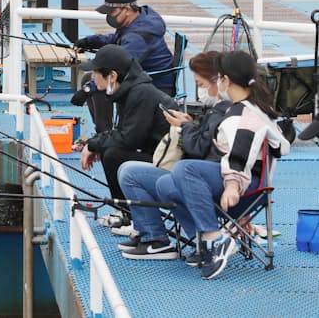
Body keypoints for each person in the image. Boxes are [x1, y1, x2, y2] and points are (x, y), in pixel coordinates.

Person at [156, 50, 290, 279]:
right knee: (166, 186)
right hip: (253, 185)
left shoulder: (241, 115)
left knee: (184, 169)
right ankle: (204, 242)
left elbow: (239, 153)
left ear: (226, 80)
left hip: (245, 188)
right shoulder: (254, 107)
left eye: (218, 79)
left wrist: (232, 185)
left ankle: (215, 239)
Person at [115, 51, 232, 260]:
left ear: (219, 81)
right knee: (128, 169)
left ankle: (177, 240)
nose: (200, 90)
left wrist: (185, 127)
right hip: (202, 175)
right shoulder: (217, 110)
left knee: (142, 176)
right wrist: (191, 125)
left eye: (201, 84)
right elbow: (206, 142)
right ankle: (152, 236)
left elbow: (199, 149)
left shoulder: (224, 111)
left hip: (205, 179)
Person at [78, 45, 173, 223]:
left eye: (96, 72)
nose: (92, 77)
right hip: (155, 154)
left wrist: (93, 144)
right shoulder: (129, 90)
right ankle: (126, 212)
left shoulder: (140, 94)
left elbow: (128, 139)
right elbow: (124, 134)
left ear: (112, 76)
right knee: (110, 150)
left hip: (168, 164)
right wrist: (97, 143)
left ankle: (131, 216)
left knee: (113, 154)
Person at [73, 0, 176, 134]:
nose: (109, 16)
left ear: (127, 9)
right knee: (91, 78)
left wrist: (88, 89)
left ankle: (104, 134)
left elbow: (120, 67)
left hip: (155, 84)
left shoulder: (138, 36)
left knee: (99, 83)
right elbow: (116, 39)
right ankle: (104, 133)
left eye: (111, 12)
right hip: (145, 76)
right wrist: (89, 42)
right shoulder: (139, 19)